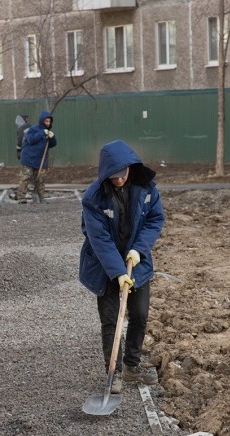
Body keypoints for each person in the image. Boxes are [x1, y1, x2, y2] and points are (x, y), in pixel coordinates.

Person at [78, 140, 165, 394]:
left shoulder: (146, 188)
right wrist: (117, 273)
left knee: (139, 314)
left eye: (122, 174)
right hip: (104, 265)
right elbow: (100, 240)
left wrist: (138, 249)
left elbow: (155, 219)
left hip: (136, 259)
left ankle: (131, 367)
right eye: (113, 176)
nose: (118, 180)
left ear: (130, 168)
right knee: (111, 319)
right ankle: (112, 372)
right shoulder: (93, 198)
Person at [16, 111, 56, 203]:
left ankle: (40, 197)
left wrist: (52, 137)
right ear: (42, 121)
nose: (48, 123)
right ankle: (21, 197)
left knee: (40, 179)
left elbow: (52, 144)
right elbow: (31, 140)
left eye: (49, 121)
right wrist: (42, 132)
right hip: (29, 158)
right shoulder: (33, 129)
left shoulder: (48, 133)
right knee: (26, 177)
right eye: (46, 121)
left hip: (40, 160)